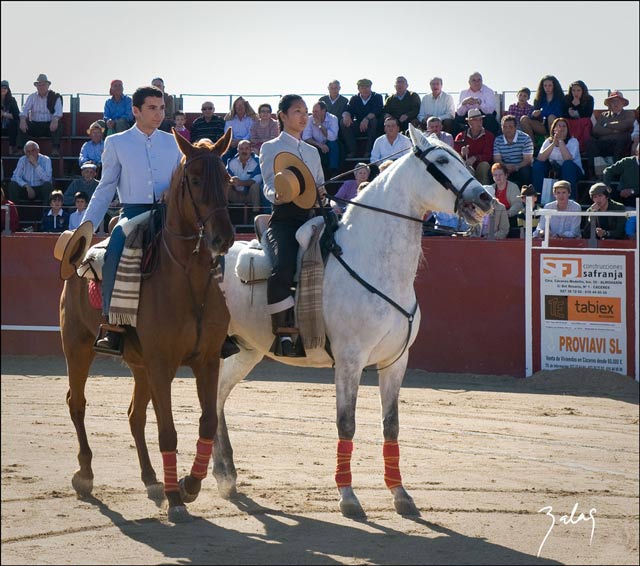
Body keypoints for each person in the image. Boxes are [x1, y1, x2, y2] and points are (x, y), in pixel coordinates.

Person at [82, 85, 182, 353]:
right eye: (152, 108)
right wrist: (87, 226)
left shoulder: (173, 142)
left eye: (162, 108)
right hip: (133, 214)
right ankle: (112, 324)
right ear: (135, 110)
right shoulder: (116, 142)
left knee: (207, 247)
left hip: (170, 214)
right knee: (114, 249)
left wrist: (172, 191)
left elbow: (180, 182)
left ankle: (216, 324)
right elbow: (105, 188)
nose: (159, 113)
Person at [259, 94, 326, 357]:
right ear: (283, 116)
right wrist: (277, 193)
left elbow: (320, 184)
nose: (303, 116)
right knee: (283, 267)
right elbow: (267, 183)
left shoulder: (312, 151)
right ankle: (283, 332)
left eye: (306, 111)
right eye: (297, 111)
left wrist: (323, 196)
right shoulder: (270, 147)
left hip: (314, 216)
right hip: (285, 217)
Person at [532, 117, 583, 200]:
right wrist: (553, 144)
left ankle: (571, 199)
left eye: (564, 126)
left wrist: (560, 141)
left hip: (572, 170)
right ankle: (537, 198)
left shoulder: (573, 141)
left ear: (568, 129)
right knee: (538, 165)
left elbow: (568, 158)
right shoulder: (548, 141)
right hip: (553, 169)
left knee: (568, 165)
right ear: (554, 129)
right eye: (559, 126)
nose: (561, 128)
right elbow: (540, 158)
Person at [586, 90, 635, 170]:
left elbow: (625, 125)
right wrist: (614, 130)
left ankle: (616, 173)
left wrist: (607, 125)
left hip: (620, 143)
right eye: (613, 101)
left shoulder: (629, 113)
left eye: (618, 101)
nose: (615, 104)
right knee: (590, 143)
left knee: (621, 143)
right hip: (604, 143)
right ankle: (595, 173)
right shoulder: (603, 115)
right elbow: (596, 130)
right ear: (609, 104)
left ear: (623, 103)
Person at [17, 74, 63, 156]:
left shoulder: (55, 97)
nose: (41, 87)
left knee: (58, 124)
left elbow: (58, 111)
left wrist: (55, 119)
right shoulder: (32, 97)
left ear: (48, 85)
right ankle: (21, 149)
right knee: (21, 123)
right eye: (39, 85)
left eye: (44, 85)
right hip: (35, 125)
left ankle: (55, 149)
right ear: (36, 86)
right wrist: (23, 120)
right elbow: (24, 110)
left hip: (49, 126)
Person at [7, 140, 53, 218]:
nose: (31, 153)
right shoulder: (22, 160)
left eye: (33, 150)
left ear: (38, 150)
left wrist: (36, 164)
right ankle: (14, 216)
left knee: (48, 186)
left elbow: (47, 179)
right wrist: (26, 186)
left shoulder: (46, 160)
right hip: (26, 189)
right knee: (12, 185)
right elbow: (15, 177)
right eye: (28, 152)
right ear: (25, 153)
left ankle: (46, 217)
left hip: (40, 188)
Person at [341, 78, 384, 159]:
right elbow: (348, 109)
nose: (365, 89)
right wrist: (346, 115)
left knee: (373, 121)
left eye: (367, 87)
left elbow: (377, 110)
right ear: (358, 88)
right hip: (359, 125)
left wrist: (366, 119)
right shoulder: (354, 99)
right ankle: (352, 150)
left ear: (370, 87)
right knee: (343, 122)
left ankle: (369, 151)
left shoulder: (377, 97)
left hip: (372, 126)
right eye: (362, 87)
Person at [520, 75, 564, 145]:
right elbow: (532, 114)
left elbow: (560, 113)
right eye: (545, 86)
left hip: (556, 125)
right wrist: (534, 114)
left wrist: (543, 112)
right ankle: (532, 147)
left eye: (550, 85)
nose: (547, 88)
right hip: (542, 126)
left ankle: (553, 144)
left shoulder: (560, 98)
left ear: (554, 86)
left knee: (551, 117)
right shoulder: (539, 99)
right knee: (524, 119)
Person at [454, 108, 494, 185]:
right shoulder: (460, 136)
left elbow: (489, 156)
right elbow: (454, 157)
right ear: (469, 122)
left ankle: (484, 194)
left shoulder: (489, 136)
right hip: (466, 168)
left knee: (484, 165)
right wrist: (461, 154)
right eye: (475, 120)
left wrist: (475, 158)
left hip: (481, 169)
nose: (479, 122)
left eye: (480, 119)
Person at [493, 115, 534, 187]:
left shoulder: (525, 138)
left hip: (521, 167)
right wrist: (505, 167)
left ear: (516, 127)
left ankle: (526, 195)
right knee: (494, 171)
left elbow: (527, 160)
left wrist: (515, 167)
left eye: (510, 127)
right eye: (505, 127)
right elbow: (497, 159)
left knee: (526, 171)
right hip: (504, 168)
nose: (507, 130)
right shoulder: (498, 140)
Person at [302, 101, 340, 177]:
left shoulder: (333, 118)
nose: (314, 114)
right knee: (307, 146)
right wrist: (319, 145)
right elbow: (306, 137)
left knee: (334, 144)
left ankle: (333, 171)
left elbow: (333, 137)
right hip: (315, 142)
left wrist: (320, 125)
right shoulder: (309, 119)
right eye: (313, 111)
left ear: (323, 111)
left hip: (328, 142)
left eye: (316, 111)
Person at [226, 139, 263, 213]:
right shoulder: (231, 162)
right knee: (224, 185)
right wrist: (231, 180)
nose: (244, 151)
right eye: (241, 149)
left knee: (255, 186)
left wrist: (240, 183)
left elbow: (257, 180)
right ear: (237, 150)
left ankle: (255, 214)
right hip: (235, 194)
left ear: (250, 149)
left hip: (250, 195)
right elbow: (225, 177)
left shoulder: (257, 162)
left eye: (246, 148)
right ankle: (225, 214)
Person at [488, 162, 523, 236]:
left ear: (506, 175)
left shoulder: (513, 187)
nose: (498, 177)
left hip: (509, 217)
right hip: (493, 218)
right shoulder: (490, 188)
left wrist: (507, 213)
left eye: (500, 175)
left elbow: (518, 204)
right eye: (495, 175)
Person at [562, 80, 594, 153]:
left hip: (583, 121)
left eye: (578, 90)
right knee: (564, 122)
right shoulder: (567, 98)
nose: (576, 93)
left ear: (583, 91)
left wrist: (577, 106)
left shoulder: (589, 99)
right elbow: (563, 113)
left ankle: (585, 148)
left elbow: (587, 115)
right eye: (573, 90)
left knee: (586, 122)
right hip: (570, 121)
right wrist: (570, 111)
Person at [223, 96, 257, 163]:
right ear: (234, 107)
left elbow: (251, 133)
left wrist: (241, 141)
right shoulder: (229, 120)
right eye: (237, 105)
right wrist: (232, 142)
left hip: (247, 145)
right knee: (224, 156)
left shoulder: (250, 119)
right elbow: (227, 133)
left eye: (242, 105)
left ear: (245, 107)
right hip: (233, 145)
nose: (240, 107)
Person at [1, 79, 20, 155]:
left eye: (5, 88)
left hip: (8, 127)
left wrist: (4, 114)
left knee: (13, 123)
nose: (3, 89)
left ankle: (12, 148)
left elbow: (16, 115)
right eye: (1, 87)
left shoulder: (12, 100)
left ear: (8, 90)